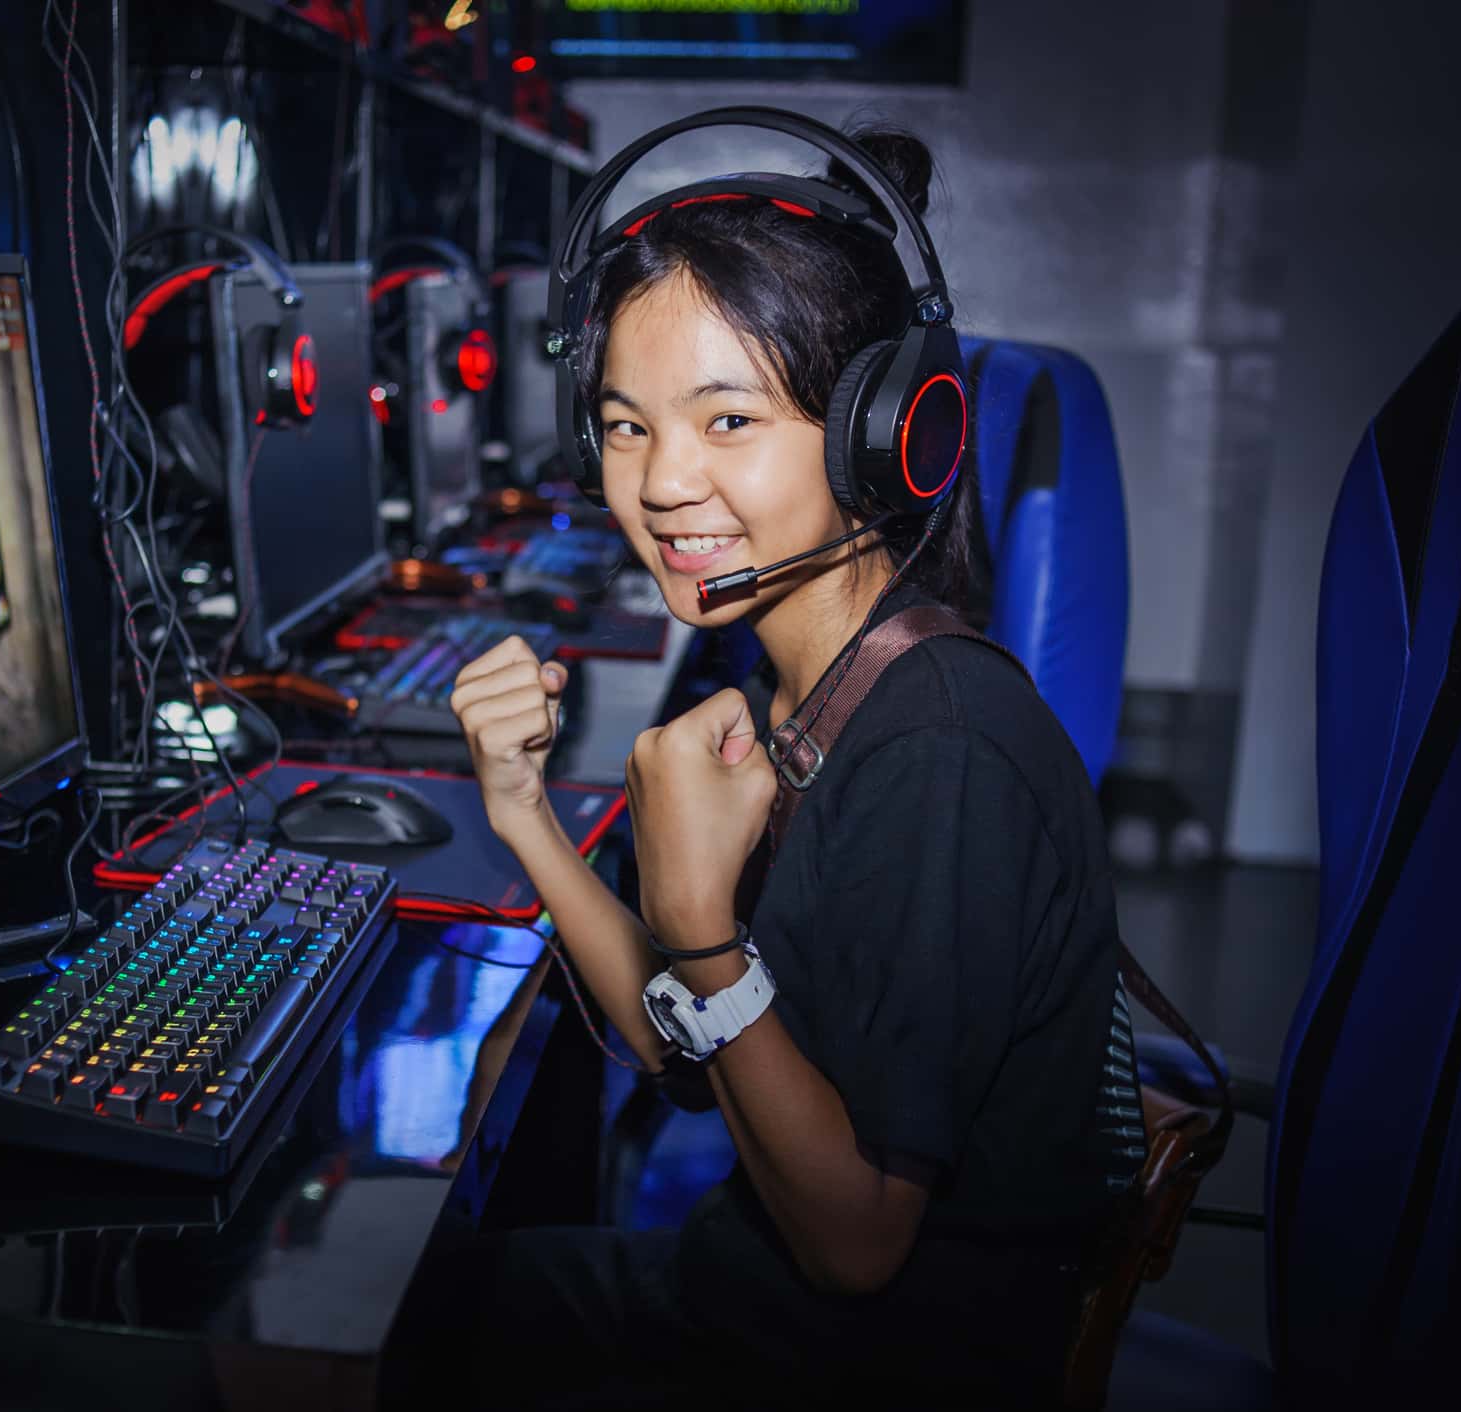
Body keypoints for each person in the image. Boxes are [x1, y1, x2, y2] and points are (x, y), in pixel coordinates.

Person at [417, 122, 1128, 1408]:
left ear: (883, 436)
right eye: (624, 427)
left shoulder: (938, 756)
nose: (662, 481)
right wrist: (522, 813)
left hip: (867, 1361)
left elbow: (855, 1243)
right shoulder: (810, 688)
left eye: (726, 417)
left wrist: (695, 915)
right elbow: (682, 1049)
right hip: (752, 1292)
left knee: (351, 1333)